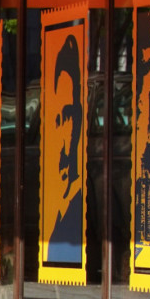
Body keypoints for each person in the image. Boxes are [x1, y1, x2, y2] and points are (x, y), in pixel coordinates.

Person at [45, 34, 84, 264]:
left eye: (67, 116)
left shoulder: (78, 204)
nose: (60, 137)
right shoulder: (52, 211)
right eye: (56, 118)